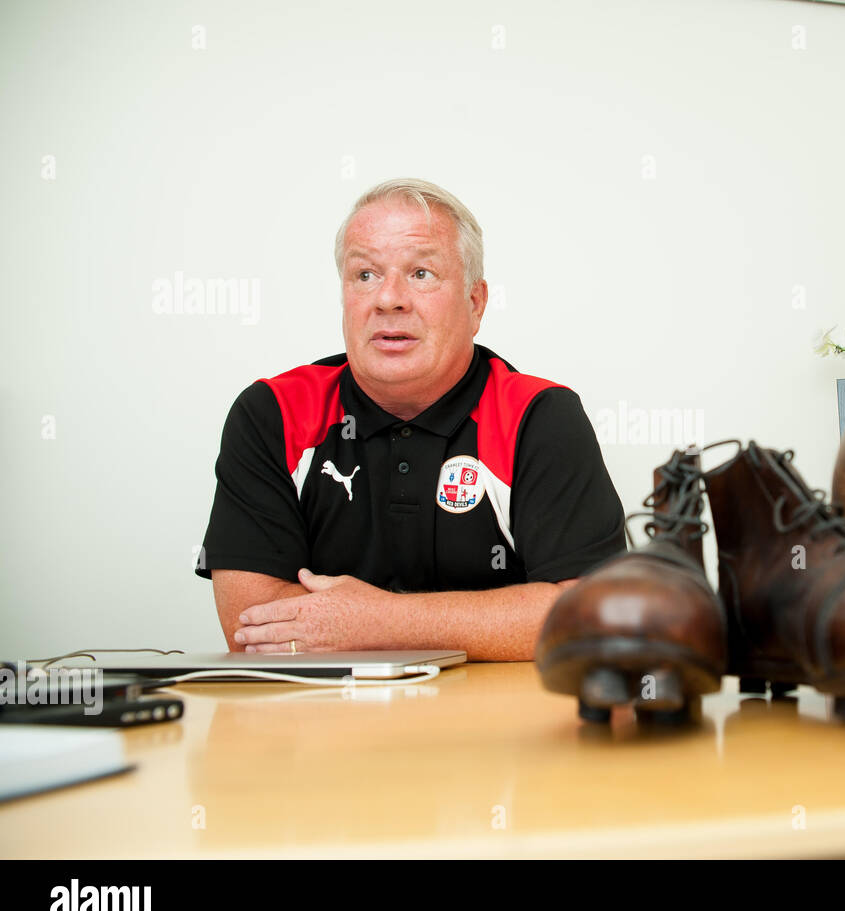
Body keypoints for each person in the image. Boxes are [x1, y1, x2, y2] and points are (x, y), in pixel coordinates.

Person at [195, 179, 626, 659]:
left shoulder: (539, 416)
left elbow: (591, 618)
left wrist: (375, 621)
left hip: (495, 727)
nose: (389, 299)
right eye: (365, 275)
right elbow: (249, 625)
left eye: (421, 273)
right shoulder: (272, 413)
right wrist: (505, 620)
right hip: (325, 729)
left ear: (475, 302)